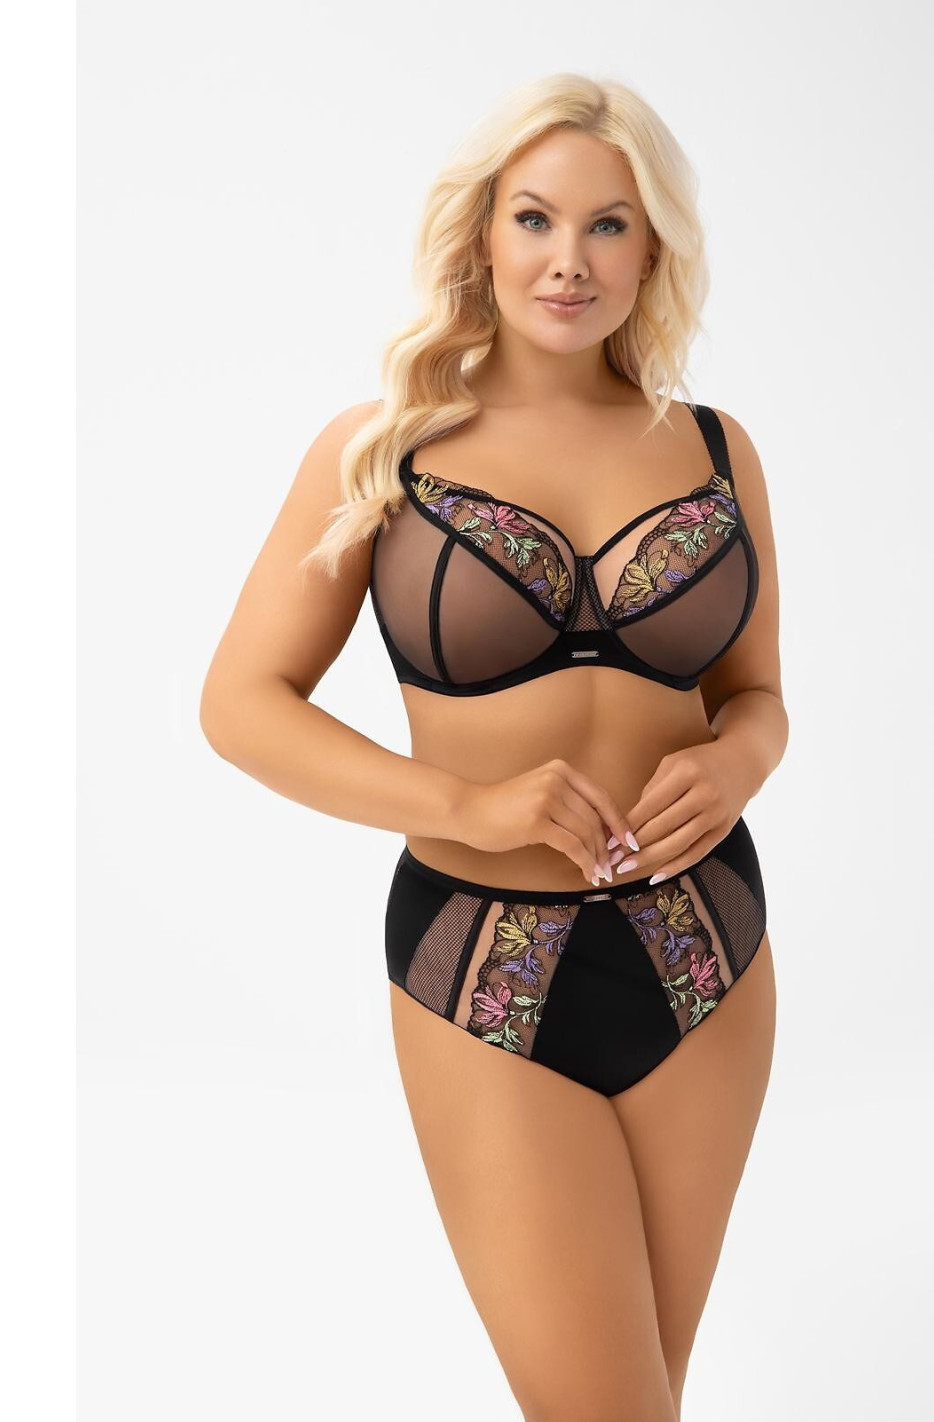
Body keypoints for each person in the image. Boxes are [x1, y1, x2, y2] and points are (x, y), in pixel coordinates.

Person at [201, 72, 786, 1422]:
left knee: (649, 1397)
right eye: (535, 218)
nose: (568, 260)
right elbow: (242, 702)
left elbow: (758, 693)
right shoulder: (383, 454)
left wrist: (740, 764)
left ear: (653, 249)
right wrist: (465, 801)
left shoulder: (717, 450)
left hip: (708, 950)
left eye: (609, 225)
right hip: (484, 965)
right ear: (481, 233)